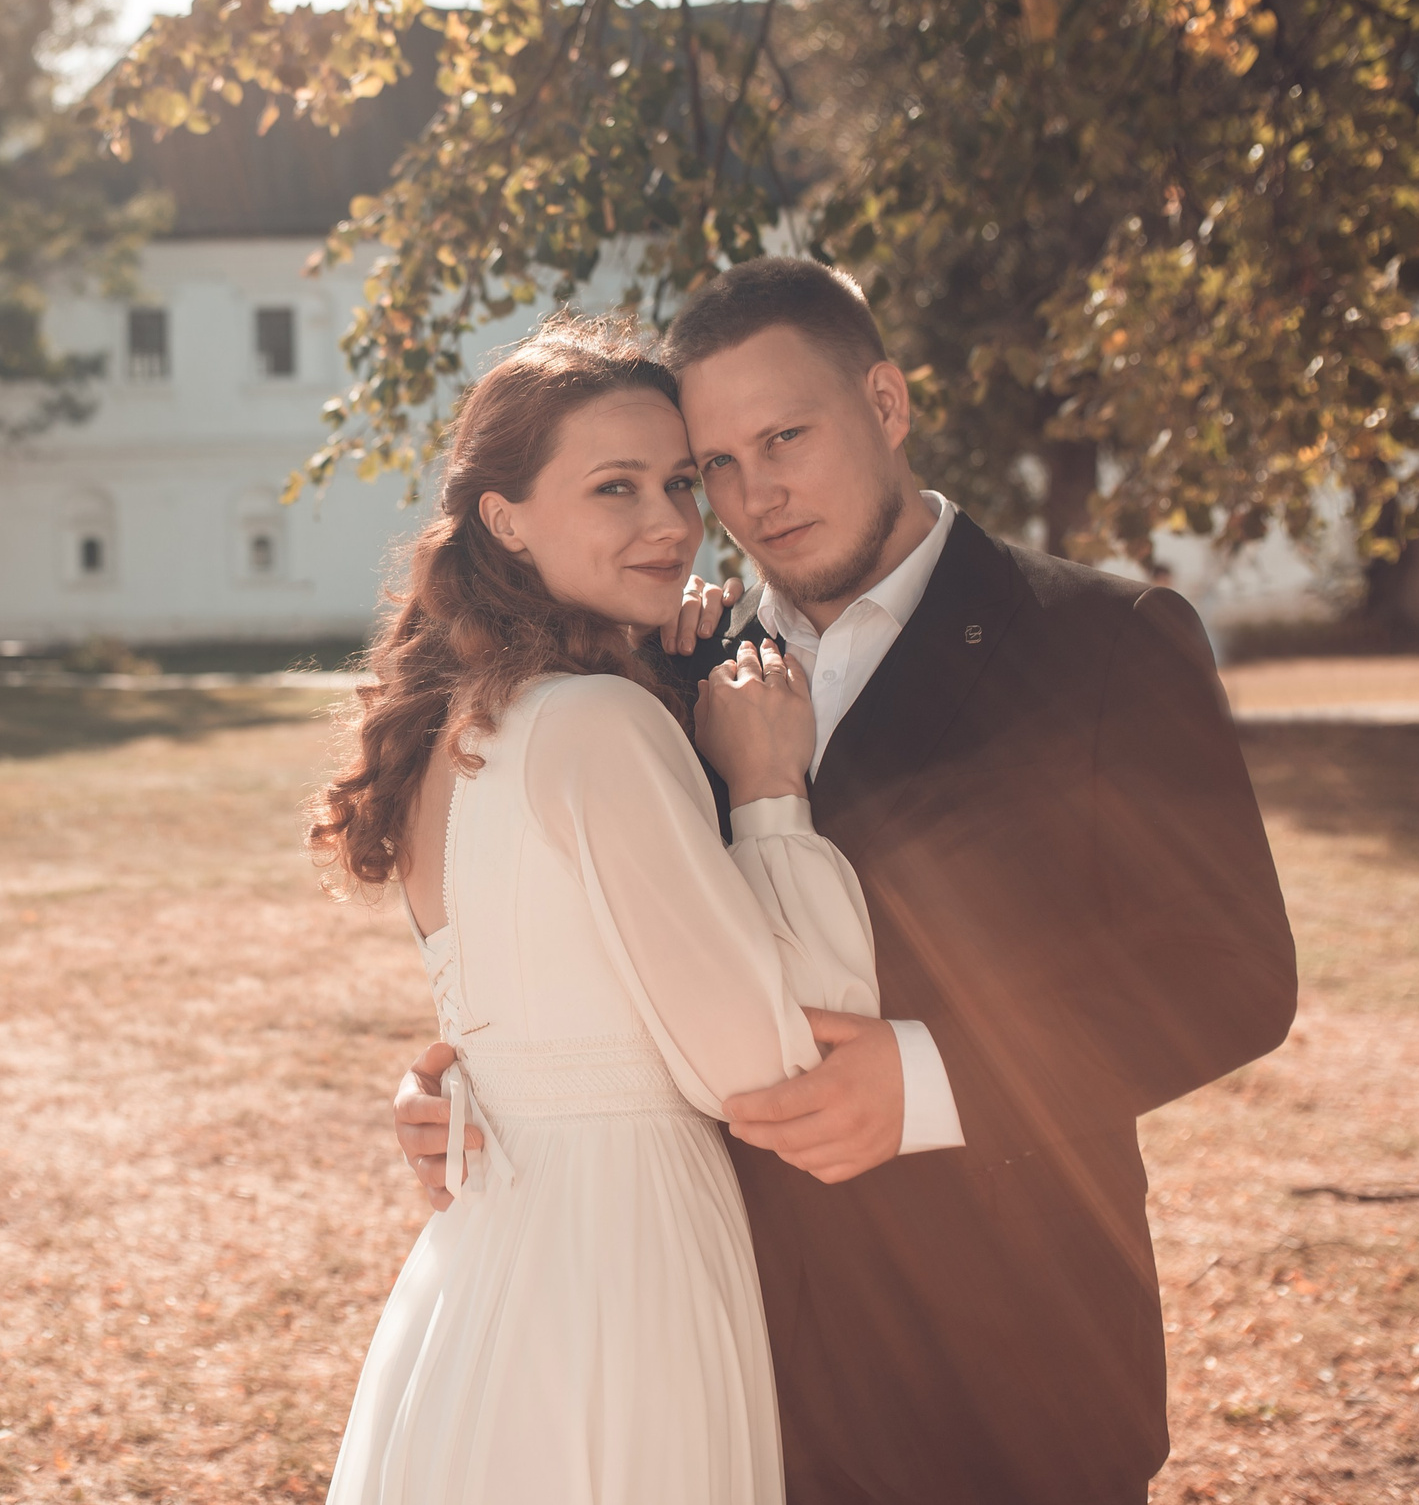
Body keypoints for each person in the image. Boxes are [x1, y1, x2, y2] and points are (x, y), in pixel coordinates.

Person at [392, 258, 1300, 1503]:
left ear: (884, 400)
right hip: (730, 1358)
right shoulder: (665, 665)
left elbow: (1230, 976)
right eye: (714, 463)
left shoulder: (1102, 638)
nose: (752, 494)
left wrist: (927, 1078)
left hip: (1007, 1375)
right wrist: (473, 1076)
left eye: (785, 437)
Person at [310, 314, 881, 1505]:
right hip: (625, 1260)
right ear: (504, 518)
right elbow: (786, 1058)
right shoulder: (596, 725)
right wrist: (769, 784)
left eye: (678, 481)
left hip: (488, 1262)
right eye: (613, 486)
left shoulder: (455, 728)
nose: (670, 521)